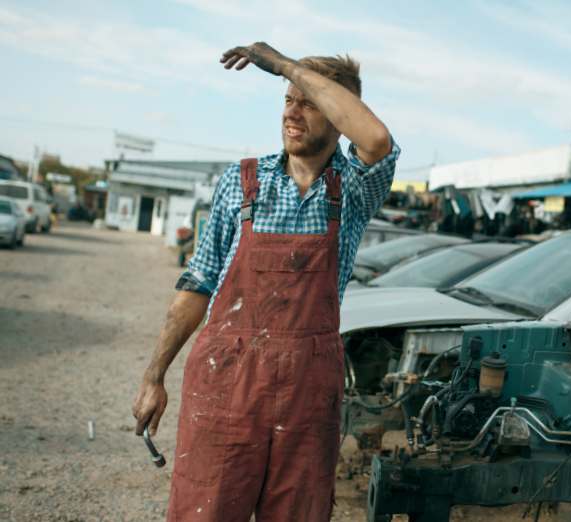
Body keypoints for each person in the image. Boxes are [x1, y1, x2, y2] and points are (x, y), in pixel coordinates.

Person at [131, 42, 399, 521]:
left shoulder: (354, 188)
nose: (293, 114)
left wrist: (281, 64)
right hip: (226, 382)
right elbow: (199, 282)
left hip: (306, 394)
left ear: (340, 115)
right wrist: (155, 376)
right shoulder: (242, 180)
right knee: (205, 510)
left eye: (311, 102)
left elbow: (376, 139)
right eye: (288, 99)